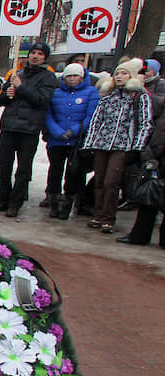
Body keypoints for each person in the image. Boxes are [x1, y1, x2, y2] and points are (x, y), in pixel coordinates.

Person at [81, 58, 152, 233]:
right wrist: (89, 143)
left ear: (132, 76)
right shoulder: (107, 97)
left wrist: (138, 146)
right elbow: (97, 121)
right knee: (99, 180)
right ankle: (98, 214)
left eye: (124, 73)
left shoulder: (139, 97)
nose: (120, 76)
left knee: (111, 182)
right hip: (101, 143)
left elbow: (145, 122)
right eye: (117, 73)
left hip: (122, 146)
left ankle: (108, 218)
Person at [0, 41, 59, 218]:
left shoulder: (48, 77)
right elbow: (1, 101)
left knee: (23, 169)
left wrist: (21, 87)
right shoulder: (16, 73)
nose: (35, 56)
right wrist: (8, 94)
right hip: (9, 126)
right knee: (3, 165)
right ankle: (3, 198)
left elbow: (42, 100)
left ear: (45, 58)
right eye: (33, 53)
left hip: (29, 129)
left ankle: (16, 202)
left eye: (40, 54)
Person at [43, 62, 99, 219]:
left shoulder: (91, 92)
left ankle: (68, 204)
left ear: (81, 77)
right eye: (69, 76)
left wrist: (73, 131)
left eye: (75, 76)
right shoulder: (56, 93)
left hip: (77, 141)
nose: (72, 79)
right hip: (57, 140)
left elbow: (91, 116)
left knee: (74, 173)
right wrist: (58, 132)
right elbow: (48, 115)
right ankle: (53, 202)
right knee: (55, 171)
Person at [118, 103, 165, 247]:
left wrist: (148, 155)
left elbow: (159, 140)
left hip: (160, 162)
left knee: (149, 199)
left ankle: (139, 236)